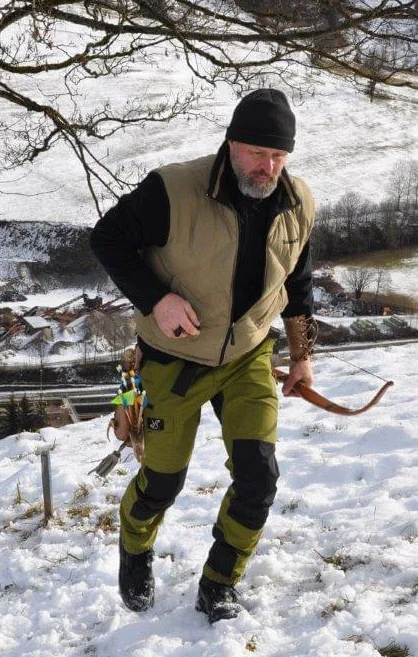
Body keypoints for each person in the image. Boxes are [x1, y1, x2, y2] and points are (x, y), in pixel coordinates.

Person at [90, 88, 316, 624]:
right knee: (162, 482)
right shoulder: (173, 189)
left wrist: (302, 355)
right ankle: (135, 546)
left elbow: (299, 282)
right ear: (232, 142)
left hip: (248, 356)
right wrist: (157, 299)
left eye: (279, 156)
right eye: (258, 153)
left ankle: (219, 583)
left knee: (258, 479)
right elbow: (107, 238)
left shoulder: (298, 201)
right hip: (172, 358)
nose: (268, 168)